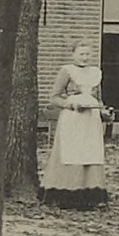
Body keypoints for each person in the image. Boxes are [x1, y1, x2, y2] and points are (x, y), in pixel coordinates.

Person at [40, 40, 109, 210]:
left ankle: (90, 195)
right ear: (73, 55)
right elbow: (54, 97)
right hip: (73, 118)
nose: (85, 58)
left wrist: (103, 111)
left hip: (91, 120)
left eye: (87, 54)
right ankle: (67, 194)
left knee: (91, 153)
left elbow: (99, 99)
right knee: (71, 152)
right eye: (81, 54)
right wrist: (71, 105)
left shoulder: (95, 73)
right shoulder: (67, 71)